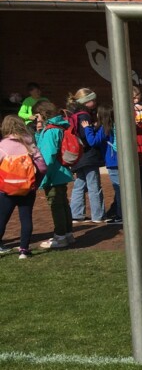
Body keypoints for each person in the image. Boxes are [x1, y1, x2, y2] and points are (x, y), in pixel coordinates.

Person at [0, 114, 46, 259]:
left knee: (2, 218)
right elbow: (42, 167)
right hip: (27, 188)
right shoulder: (29, 143)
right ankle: (24, 250)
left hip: (6, 189)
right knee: (26, 218)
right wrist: (36, 182)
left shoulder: (3, 145)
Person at [33, 100, 73, 249]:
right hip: (61, 172)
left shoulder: (50, 130)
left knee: (56, 205)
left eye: (37, 115)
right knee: (63, 204)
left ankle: (60, 236)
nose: (36, 119)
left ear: (43, 113)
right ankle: (67, 234)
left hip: (53, 173)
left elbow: (47, 155)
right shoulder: (58, 126)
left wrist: (43, 175)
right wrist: (38, 132)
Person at [67, 88, 105, 224]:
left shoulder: (74, 113)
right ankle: (98, 215)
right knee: (94, 186)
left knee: (79, 184)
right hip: (88, 155)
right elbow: (87, 138)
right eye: (92, 100)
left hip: (78, 155)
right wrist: (95, 127)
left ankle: (76, 214)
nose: (95, 102)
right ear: (86, 101)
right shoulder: (85, 116)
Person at [86, 105, 121, 225]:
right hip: (121, 159)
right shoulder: (117, 125)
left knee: (119, 189)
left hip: (113, 161)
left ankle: (121, 215)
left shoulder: (105, 128)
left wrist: (87, 129)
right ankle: (122, 213)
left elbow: (93, 141)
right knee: (122, 189)